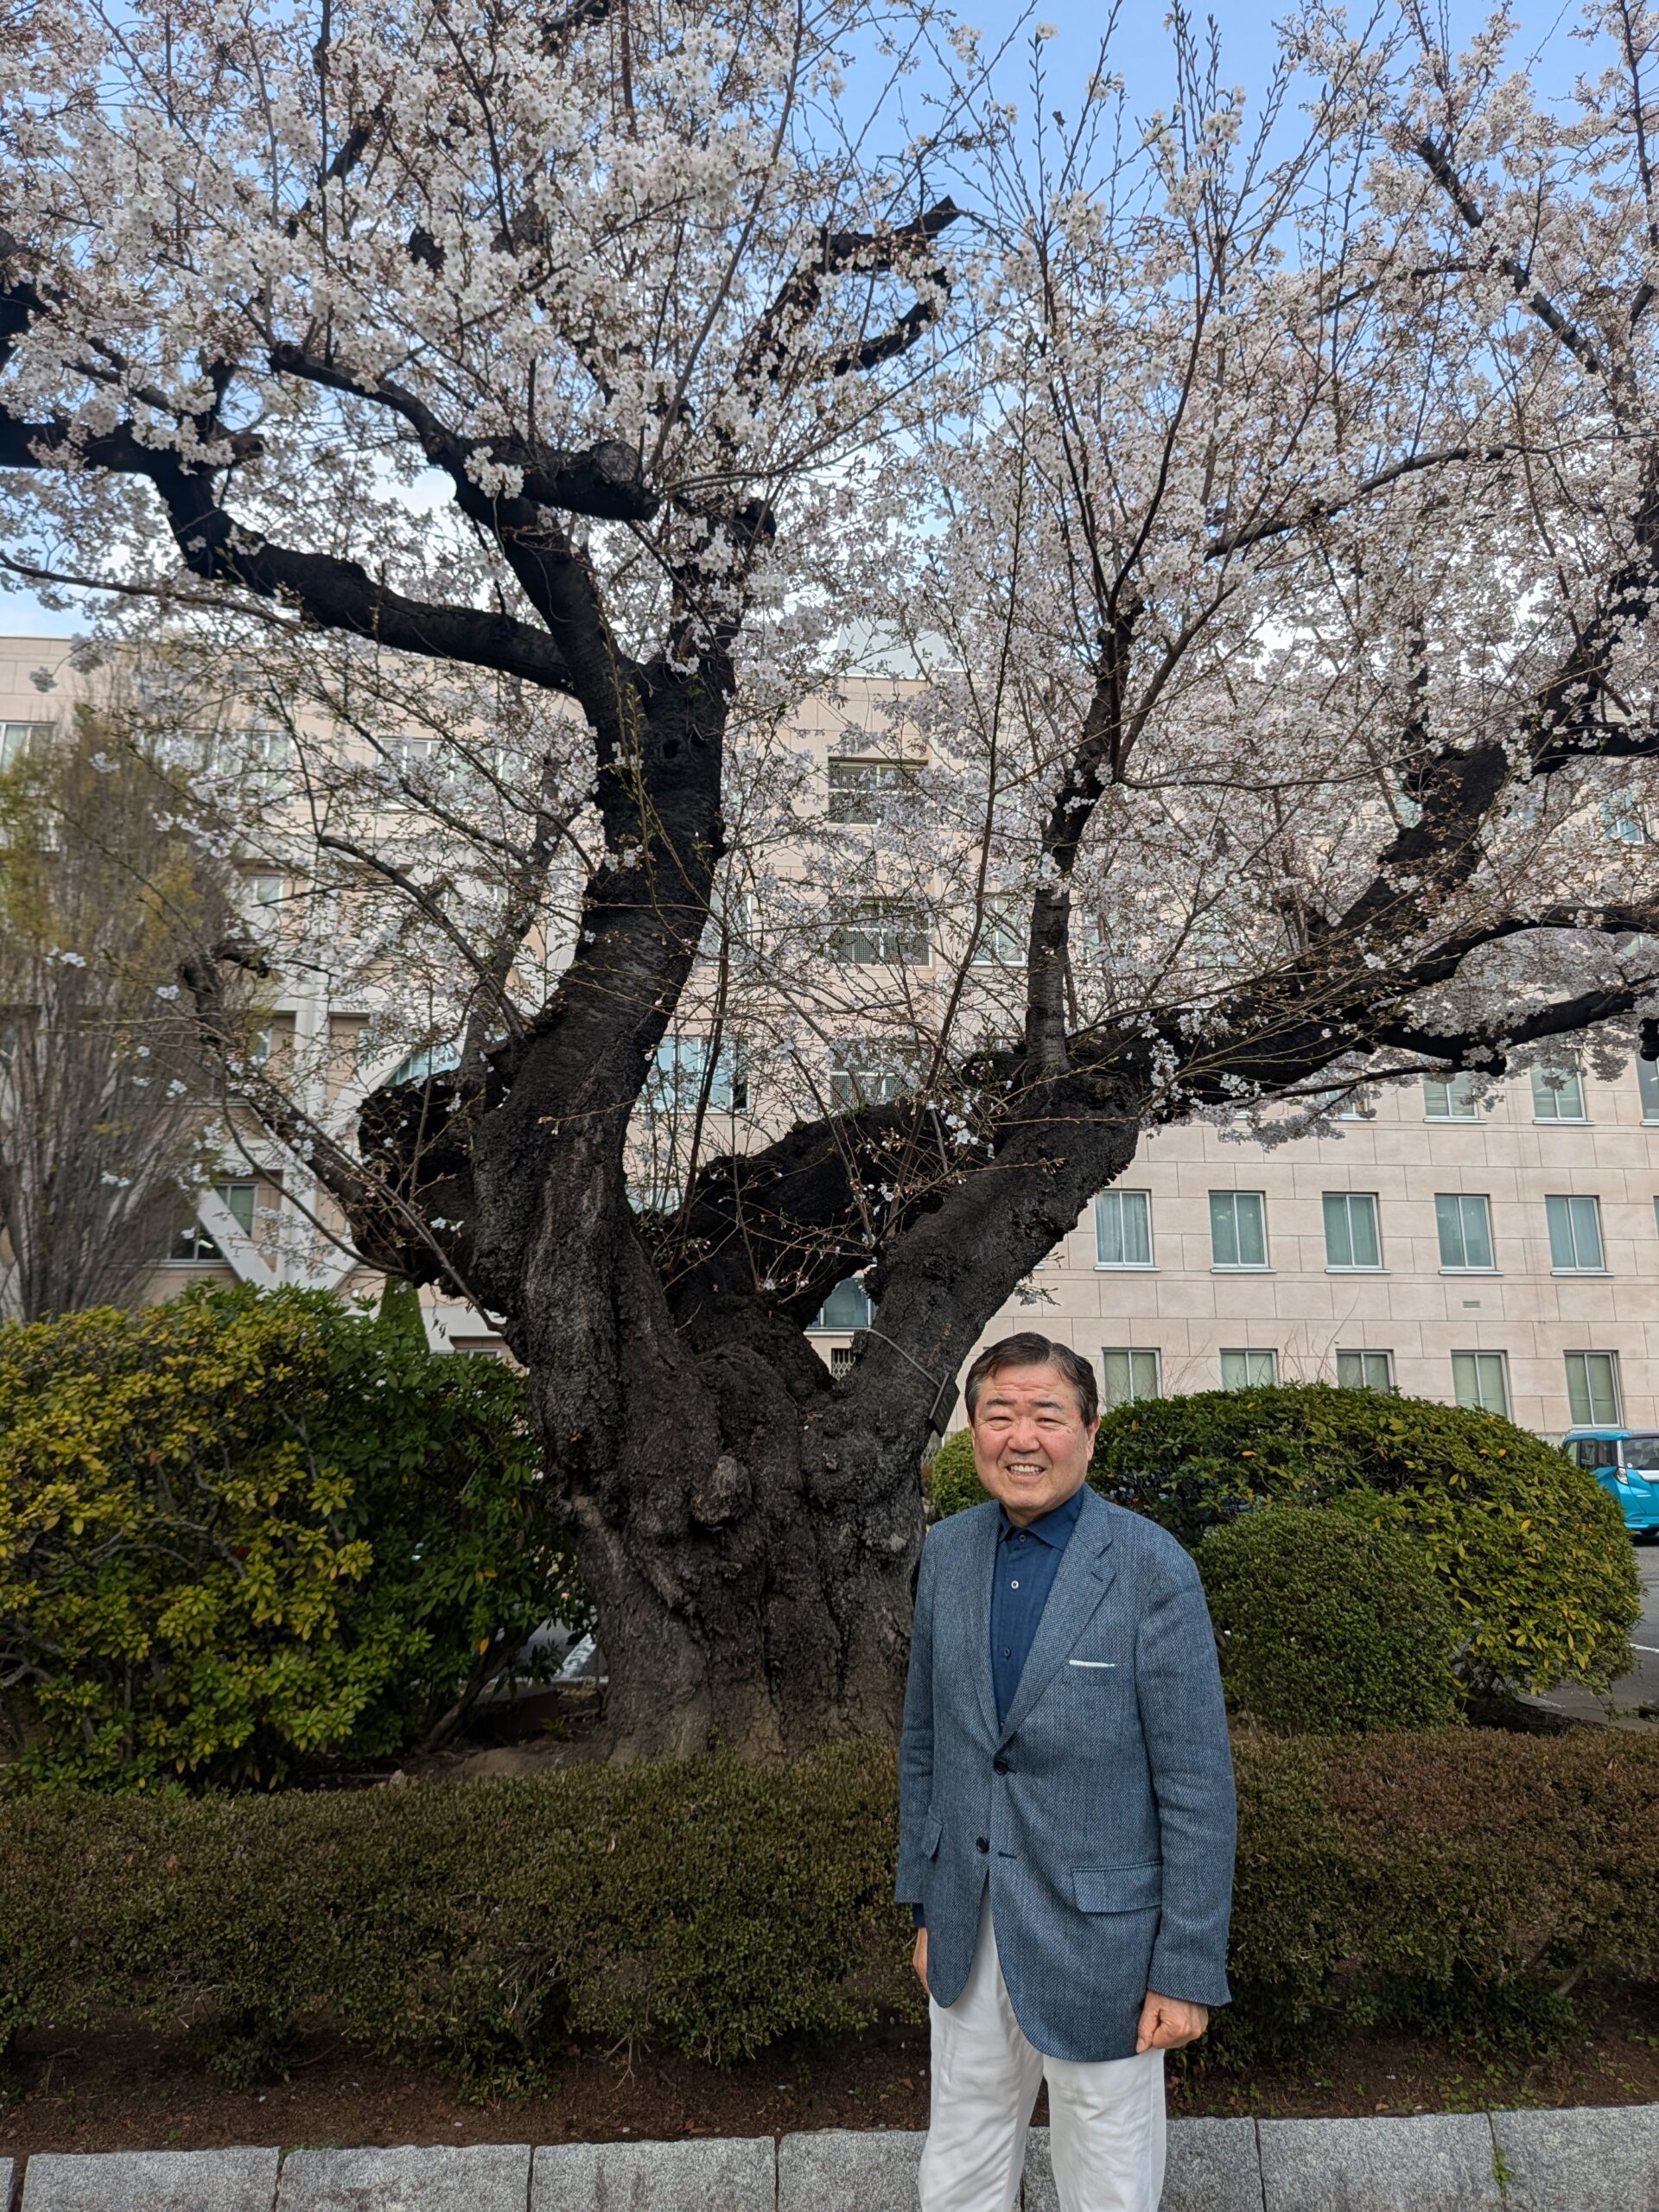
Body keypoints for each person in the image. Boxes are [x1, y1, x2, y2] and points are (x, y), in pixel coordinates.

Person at [897, 1332, 1236, 2212]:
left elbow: (1196, 1782)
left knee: (1108, 2176)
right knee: (959, 2160)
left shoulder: (1150, 1566)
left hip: (1107, 1945)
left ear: (1089, 1430)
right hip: (969, 1929)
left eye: (1046, 1415)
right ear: (971, 1432)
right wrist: (930, 1903)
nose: (1021, 1437)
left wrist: (1186, 1966)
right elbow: (928, 1744)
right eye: (998, 1414)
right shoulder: (948, 1556)